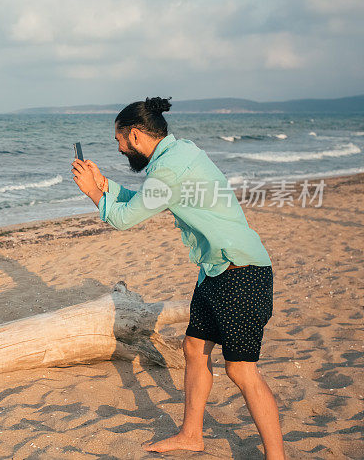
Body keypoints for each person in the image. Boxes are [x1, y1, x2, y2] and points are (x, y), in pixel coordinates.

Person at [71, 97, 285, 459]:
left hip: (241, 273)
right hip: (215, 272)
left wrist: (92, 191)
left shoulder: (167, 171)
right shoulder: (180, 153)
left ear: (135, 136)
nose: (120, 149)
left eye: (120, 141)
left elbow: (125, 218)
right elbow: (148, 199)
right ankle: (191, 434)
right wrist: (106, 184)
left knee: (241, 370)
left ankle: (277, 457)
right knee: (194, 348)